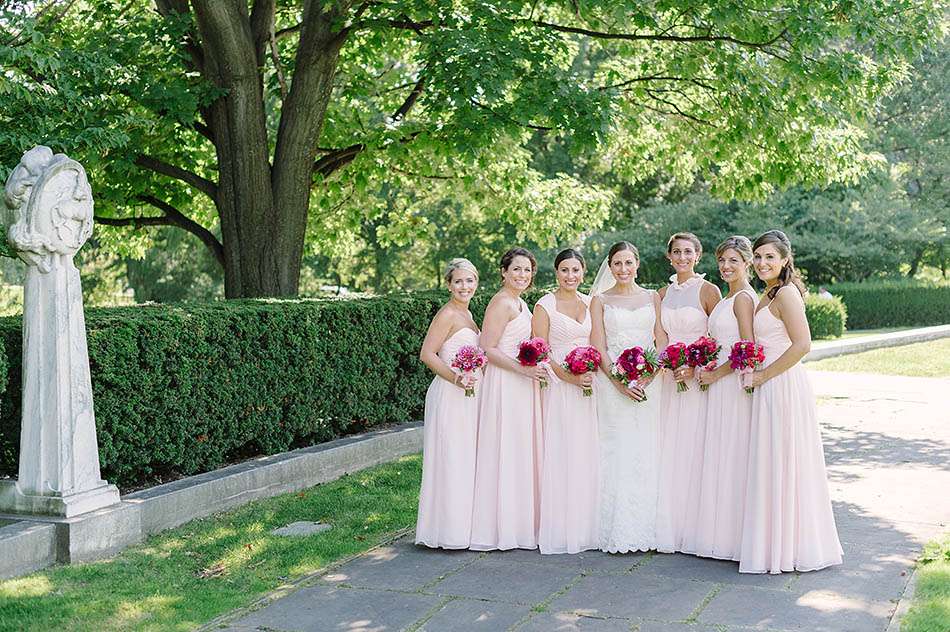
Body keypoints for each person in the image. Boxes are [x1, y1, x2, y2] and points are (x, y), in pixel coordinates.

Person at [739, 230, 843, 574]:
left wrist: (763, 375)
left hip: (782, 383)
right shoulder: (766, 295)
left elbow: (802, 345)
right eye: (758, 256)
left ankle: (791, 547)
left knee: (785, 459)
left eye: (770, 257)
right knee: (770, 460)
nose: (762, 262)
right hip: (766, 382)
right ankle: (771, 544)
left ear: (785, 260)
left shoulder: (785, 294)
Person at [589, 241, 668, 553]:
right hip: (613, 383)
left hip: (651, 383)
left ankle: (650, 526)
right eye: (617, 263)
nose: (623, 269)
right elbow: (598, 343)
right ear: (610, 267)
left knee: (647, 448)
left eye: (628, 263)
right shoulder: (600, 300)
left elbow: (661, 339)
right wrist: (618, 381)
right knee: (617, 449)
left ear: (637, 264)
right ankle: (615, 527)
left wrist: (648, 376)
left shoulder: (652, 297)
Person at [470, 247, 546, 551]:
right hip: (505, 382)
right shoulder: (501, 302)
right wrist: (522, 371)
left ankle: (519, 523)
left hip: (520, 381)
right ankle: (500, 526)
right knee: (505, 448)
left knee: (519, 450)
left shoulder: (520, 302)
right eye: (516, 269)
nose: (522, 275)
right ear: (503, 272)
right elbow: (487, 348)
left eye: (527, 270)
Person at [686, 236, 756, 560]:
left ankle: (734, 537)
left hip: (732, 385)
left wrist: (718, 373)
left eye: (733, 261)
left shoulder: (743, 299)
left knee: (733, 453)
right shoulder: (727, 297)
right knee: (719, 452)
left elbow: (749, 349)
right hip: (717, 381)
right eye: (722, 261)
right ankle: (719, 533)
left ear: (747, 263)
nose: (726, 267)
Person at [656, 232, 721, 553]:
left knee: (693, 444)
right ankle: (668, 522)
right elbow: (658, 337)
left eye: (688, 252)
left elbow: (718, 335)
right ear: (669, 257)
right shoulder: (662, 293)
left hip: (696, 377)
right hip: (669, 378)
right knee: (667, 445)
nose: (682, 257)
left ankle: (695, 525)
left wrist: (696, 366)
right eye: (676, 252)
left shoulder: (709, 290)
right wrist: (667, 362)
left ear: (698, 255)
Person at [534, 248, 600, 554]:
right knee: (561, 450)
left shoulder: (591, 302)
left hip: (590, 384)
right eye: (564, 270)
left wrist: (589, 372)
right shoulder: (544, 306)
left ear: (583, 272)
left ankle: (589, 523)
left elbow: (599, 342)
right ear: (556, 273)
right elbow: (541, 350)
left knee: (588, 450)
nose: (570, 276)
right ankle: (561, 525)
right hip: (559, 385)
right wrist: (567, 377)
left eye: (575, 270)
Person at [415, 258, 482, 548]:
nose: (464, 286)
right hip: (450, 393)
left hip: (469, 395)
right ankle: (447, 532)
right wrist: (456, 378)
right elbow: (427, 354)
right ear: (449, 285)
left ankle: (464, 527)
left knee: (466, 459)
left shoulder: (468, 314)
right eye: (458, 282)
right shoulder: (448, 314)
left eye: (469, 281)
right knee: (452, 458)